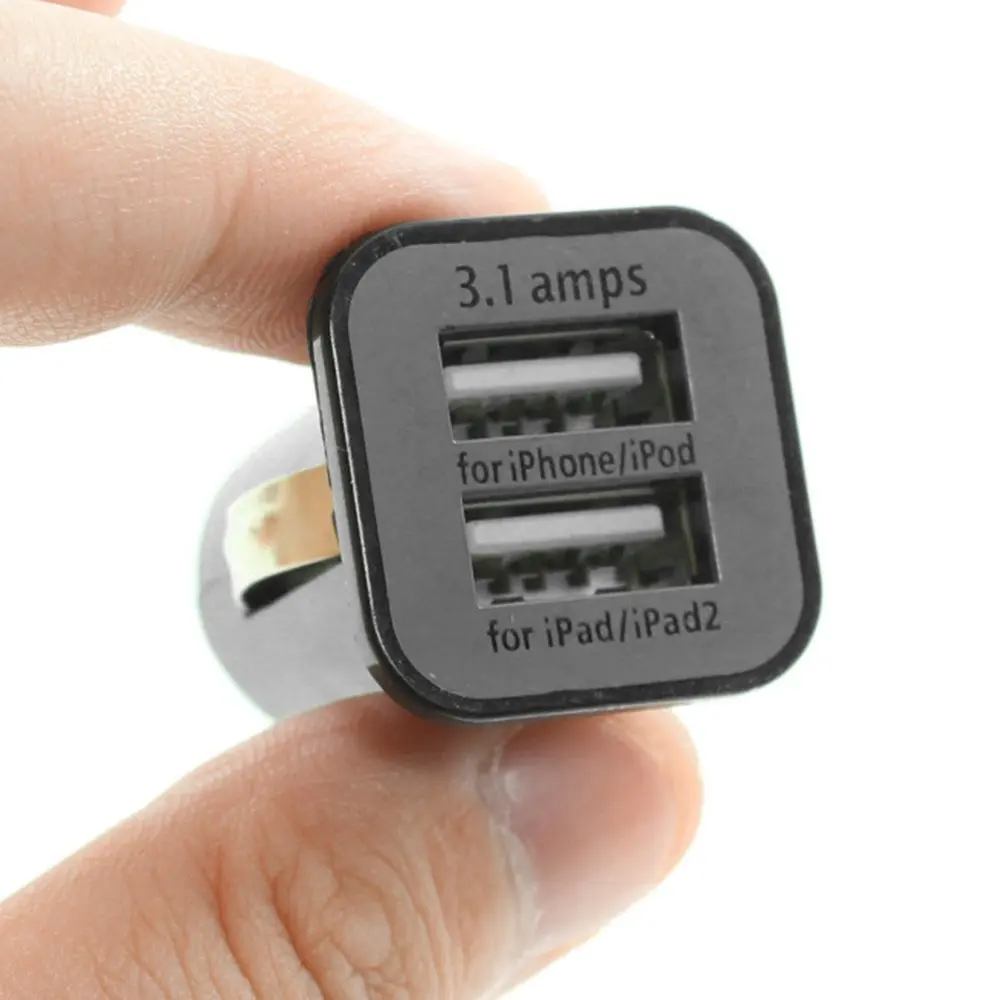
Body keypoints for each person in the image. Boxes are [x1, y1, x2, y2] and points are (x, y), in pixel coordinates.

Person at [0, 2, 702, 996]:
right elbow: (261, 546)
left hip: (278, 567)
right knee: (266, 534)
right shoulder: (267, 547)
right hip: (270, 566)